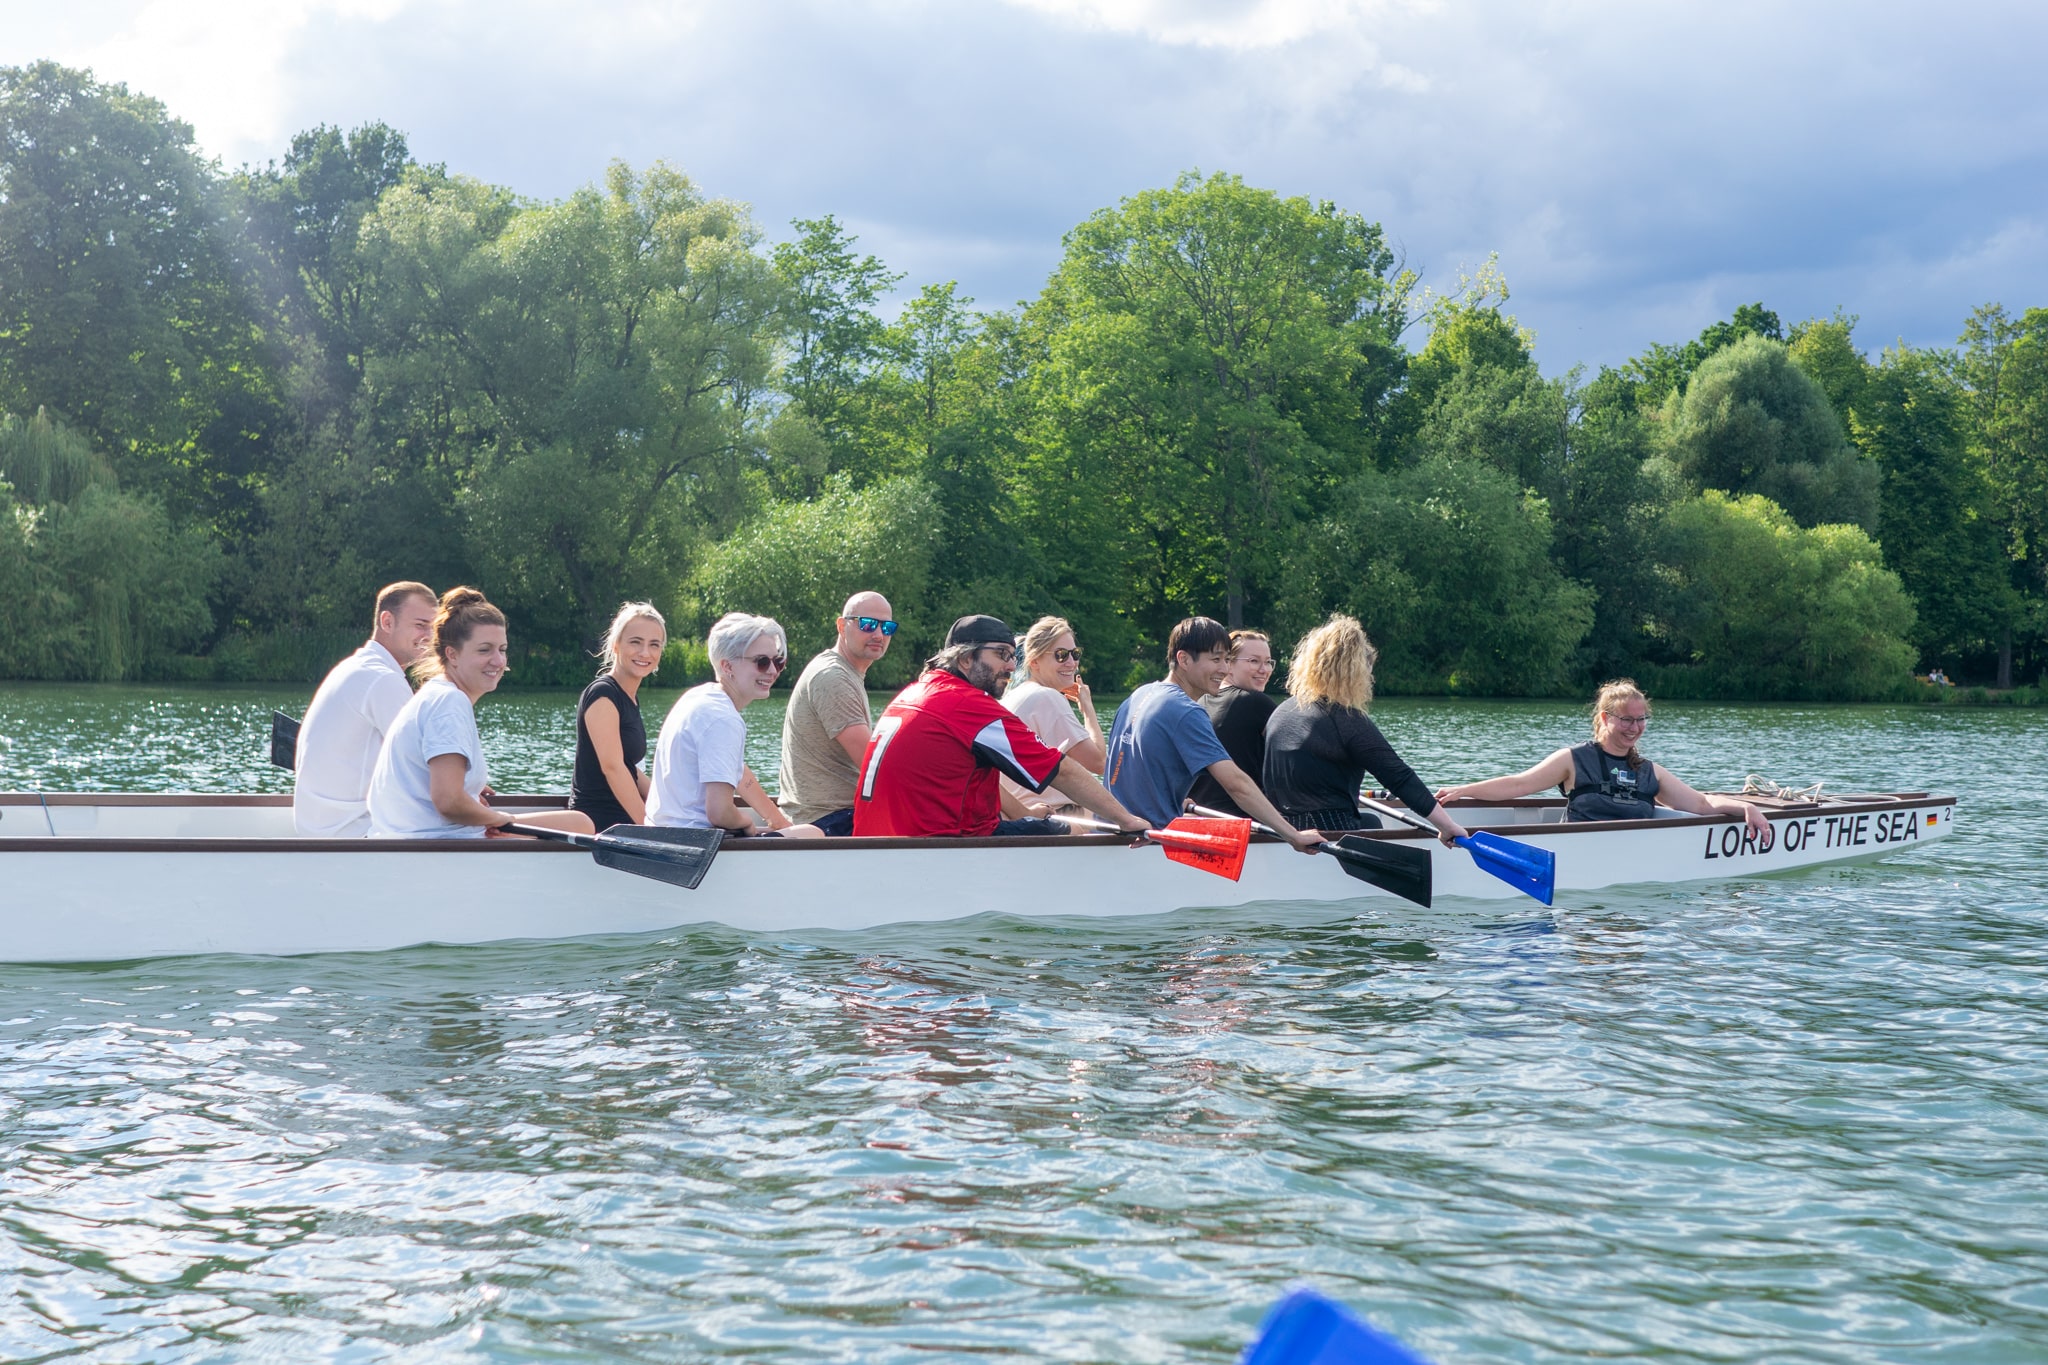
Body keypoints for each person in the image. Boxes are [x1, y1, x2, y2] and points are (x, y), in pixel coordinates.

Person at [854, 614, 1151, 839]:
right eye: (1000, 654)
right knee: (1073, 830)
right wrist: (1126, 820)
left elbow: (988, 779)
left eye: (1011, 655)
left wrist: (1024, 813)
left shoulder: (913, 692)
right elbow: (1061, 771)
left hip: (878, 841)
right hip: (937, 845)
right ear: (966, 658)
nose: (1011, 666)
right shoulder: (966, 706)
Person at [367, 587, 595, 839]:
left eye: (502, 649)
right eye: (484, 650)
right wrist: (498, 818)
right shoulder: (449, 701)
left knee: (576, 822)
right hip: (434, 843)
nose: (498, 661)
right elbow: (448, 801)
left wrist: (478, 806)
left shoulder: (437, 694)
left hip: (421, 839)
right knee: (580, 823)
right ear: (452, 654)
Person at [1434, 679, 1772, 835]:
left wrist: (1745, 807)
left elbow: (1700, 803)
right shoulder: (1572, 759)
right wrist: (1464, 790)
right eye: (1626, 719)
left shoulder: (1650, 772)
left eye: (1641, 719)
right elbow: (1518, 785)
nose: (1634, 728)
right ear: (1606, 718)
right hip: (1577, 854)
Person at [1103, 617, 1323, 853]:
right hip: (1148, 842)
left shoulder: (1139, 695)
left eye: (1227, 659)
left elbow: (1123, 768)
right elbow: (1236, 784)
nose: (1225, 669)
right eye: (1216, 659)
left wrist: (1172, 799)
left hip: (1110, 829)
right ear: (1184, 659)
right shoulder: (1186, 710)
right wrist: (1292, 835)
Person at [1261, 615, 1469, 846]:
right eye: (1367, 671)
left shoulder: (1282, 712)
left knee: (1371, 820)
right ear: (1353, 672)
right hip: (1328, 833)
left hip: (1283, 828)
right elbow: (1400, 778)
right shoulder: (1345, 718)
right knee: (1374, 828)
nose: (1370, 678)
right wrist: (1447, 827)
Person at [648, 613, 824, 838]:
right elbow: (719, 812)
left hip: (665, 834)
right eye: (762, 662)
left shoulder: (697, 697)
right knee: (813, 833)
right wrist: (747, 823)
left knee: (796, 831)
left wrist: (778, 822)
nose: (772, 671)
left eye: (778, 661)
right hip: (695, 842)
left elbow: (738, 773)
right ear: (727, 666)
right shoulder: (723, 719)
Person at [293, 581, 436, 837]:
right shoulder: (382, 679)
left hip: (323, 830)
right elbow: (425, 768)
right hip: (352, 832)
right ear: (387, 622)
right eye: (420, 625)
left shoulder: (354, 667)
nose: (429, 636)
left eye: (433, 627)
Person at [779, 590, 895, 836]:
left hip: (836, 816)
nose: (878, 634)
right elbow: (874, 767)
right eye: (867, 624)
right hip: (828, 821)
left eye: (887, 627)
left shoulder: (846, 673)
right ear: (842, 626)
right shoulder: (833, 677)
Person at [569, 602, 666, 831]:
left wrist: (667, 804)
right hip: (598, 823)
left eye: (654, 644)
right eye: (635, 642)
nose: (645, 652)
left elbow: (629, 768)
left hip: (621, 821)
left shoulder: (629, 697)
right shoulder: (603, 694)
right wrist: (649, 826)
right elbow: (612, 767)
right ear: (616, 645)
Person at [998, 615, 1105, 816]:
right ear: (1034, 661)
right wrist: (1088, 709)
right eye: (1061, 655)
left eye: (1075, 654)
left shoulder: (1012, 696)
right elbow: (1098, 762)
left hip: (1020, 815)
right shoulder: (1047, 697)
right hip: (1054, 816)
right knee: (1135, 819)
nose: (1071, 663)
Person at [1187, 628, 1277, 818]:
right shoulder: (1254, 702)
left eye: (1268, 662)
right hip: (1241, 818)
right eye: (1254, 661)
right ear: (1228, 663)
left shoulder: (1201, 701)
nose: (1264, 670)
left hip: (1198, 814)